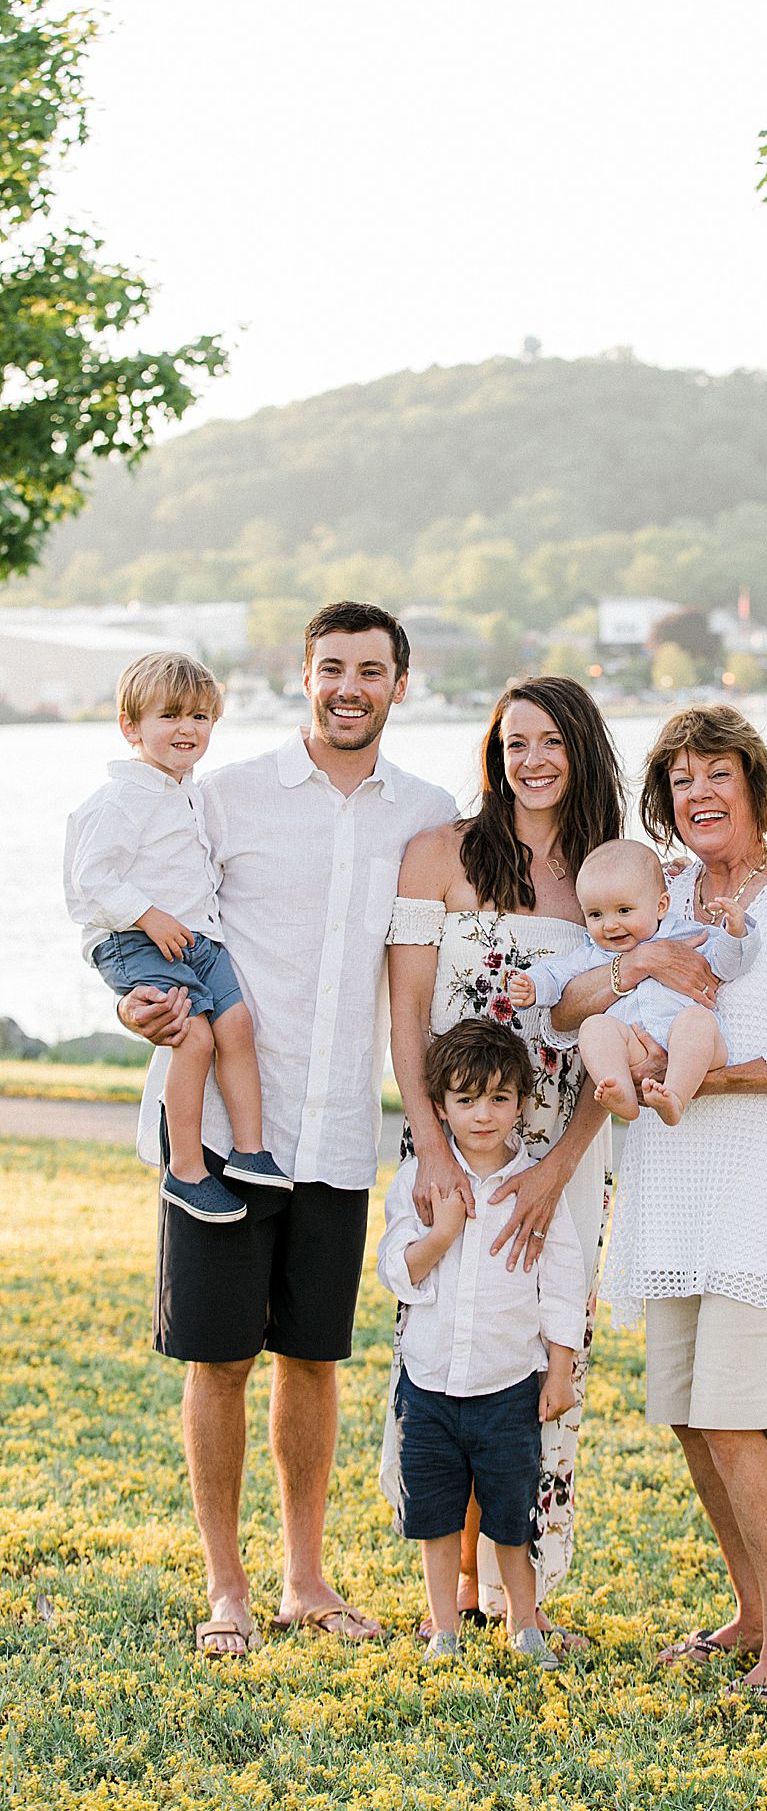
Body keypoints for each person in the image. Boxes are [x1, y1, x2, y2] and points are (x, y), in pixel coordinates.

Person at [117, 602, 456, 1659]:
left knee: (312, 1358)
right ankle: (229, 1588)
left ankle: (305, 1580)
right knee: (217, 1361)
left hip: (340, 1132)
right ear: (302, 678)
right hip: (223, 1130)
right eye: (331, 669)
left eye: (371, 669)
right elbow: (145, 912)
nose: (349, 686)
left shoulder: (431, 815)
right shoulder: (223, 798)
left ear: (401, 683)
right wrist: (133, 1001)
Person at [552, 704, 767, 1700]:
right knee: (693, 1422)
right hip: (675, 1188)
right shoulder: (664, 894)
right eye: (680, 780)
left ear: (752, 781)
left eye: (715, 774)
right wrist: (631, 1001)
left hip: (765, 1188)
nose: (697, 794)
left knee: (738, 1423)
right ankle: (746, 1616)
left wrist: (691, 1081)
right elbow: (575, 1002)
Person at [386, 676, 629, 1642]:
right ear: (493, 753)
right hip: (451, 1142)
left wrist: (563, 1164)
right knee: (448, 1340)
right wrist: (431, 1146)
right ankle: (459, 1596)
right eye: (513, 742)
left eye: (551, 741)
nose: (531, 760)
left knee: (537, 1353)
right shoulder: (438, 853)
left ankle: (521, 1592)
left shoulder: (608, 873)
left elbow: (619, 1024)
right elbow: (406, 1013)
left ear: (581, 749)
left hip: (562, 1155)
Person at [377, 1020, 585, 1670]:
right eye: (466, 1100)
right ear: (440, 1107)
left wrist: (558, 1375)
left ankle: (523, 1623)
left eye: (499, 1098)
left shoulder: (534, 1191)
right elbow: (396, 1268)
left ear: (522, 1101)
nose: (484, 1114)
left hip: (507, 1384)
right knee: (435, 1517)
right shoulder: (421, 1181)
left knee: (509, 1514)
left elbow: (564, 1289)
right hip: (431, 1383)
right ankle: (444, 1629)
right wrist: (443, 1234)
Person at [65, 651, 288, 1223]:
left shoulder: (188, 791)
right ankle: (185, 1170)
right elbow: (89, 880)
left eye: (200, 717)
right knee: (193, 1037)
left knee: (237, 1024)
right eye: (169, 715)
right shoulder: (120, 799)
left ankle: (250, 1149)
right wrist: (147, 915)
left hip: (196, 938)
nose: (186, 728)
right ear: (130, 727)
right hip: (135, 937)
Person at [507, 838, 759, 1124]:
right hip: (637, 1048)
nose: (610, 925)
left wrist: (735, 933)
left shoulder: (685, 935)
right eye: (596, 915)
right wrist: (533, 986)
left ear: (661, 906)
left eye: (624, 910)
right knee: (594, 1027)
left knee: (695, 1020)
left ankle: (675, 1095)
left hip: (694, 1046)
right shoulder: (593, 952)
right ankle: (621, 1091)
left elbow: (726, 965)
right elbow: (557, 973)